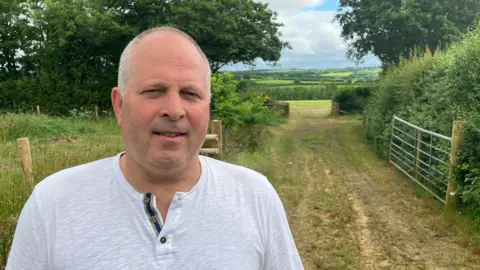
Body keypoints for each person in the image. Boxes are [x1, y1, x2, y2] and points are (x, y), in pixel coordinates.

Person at [6, 26, 303, 269]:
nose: (174, 110)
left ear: (207, 108)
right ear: (119, 105)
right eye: (153, 91)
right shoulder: (53, 203)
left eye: (190, 93)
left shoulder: (254, 196)